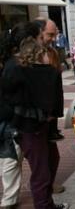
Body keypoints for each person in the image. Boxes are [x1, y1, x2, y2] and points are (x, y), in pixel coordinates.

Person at [2, 37, 68, 209]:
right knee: (41, 172)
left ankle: (46, 203)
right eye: (45, 53)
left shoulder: (20, 70)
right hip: (31, 129)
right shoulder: (34, 73)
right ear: (39, 55)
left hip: (35, 127)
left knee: (49, 163)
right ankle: (44, 205)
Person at [0, 22, 43, 209]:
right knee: (12, 159)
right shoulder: (16, 66)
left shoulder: (13, 63)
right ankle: (11, 200)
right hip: (15, 120)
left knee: (11, 160)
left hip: (13, 119)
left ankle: (10, 199)